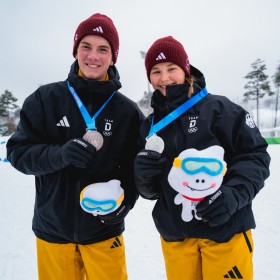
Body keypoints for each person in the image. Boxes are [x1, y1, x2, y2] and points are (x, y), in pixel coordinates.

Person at [6, 13, 144, 280]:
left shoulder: (127, 111)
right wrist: (59, 155)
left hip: (104, 233)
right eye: (86, 47)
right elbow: (17, 153)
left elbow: (135, 170)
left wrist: (125, 204)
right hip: (53, 233)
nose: (94, 56)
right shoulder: (46, 99)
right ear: (75, 51)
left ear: (113, 56)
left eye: (103, 49)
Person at [134, 36, 271, 280]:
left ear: (185, 70)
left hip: (225, 232)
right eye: (155, 71)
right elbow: (153, 192)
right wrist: (142, 175)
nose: (163, 78)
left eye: (171, 69)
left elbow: (255, 155)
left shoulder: (220, 109)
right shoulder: (150, 126)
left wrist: (233, 195)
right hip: (177, 238)